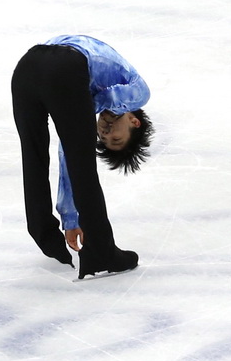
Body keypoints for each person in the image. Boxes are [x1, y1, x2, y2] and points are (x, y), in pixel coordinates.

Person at [10, 34, 154, 279]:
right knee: (83, 167)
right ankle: (102, 251)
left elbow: (67, 151)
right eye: (116, 138)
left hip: (27, 67)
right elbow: (95, 105)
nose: (106, 133)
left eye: (105, 139)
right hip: (64, 68)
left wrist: (70, 218)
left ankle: (44, 233)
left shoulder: (87, 88)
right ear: (134, 121)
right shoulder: (139, 94)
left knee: (33, 156)